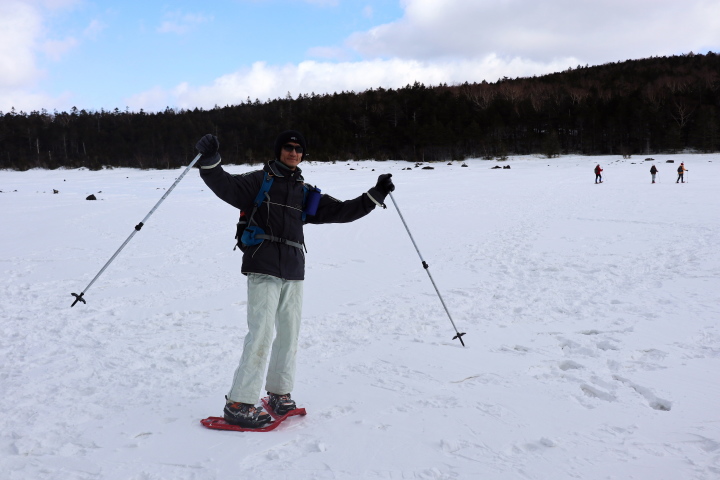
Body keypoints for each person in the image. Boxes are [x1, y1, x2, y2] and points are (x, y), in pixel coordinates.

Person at [194, 130, 395, 428]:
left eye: (299, 149)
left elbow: (340, 211)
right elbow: (225, 186)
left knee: (289, 334)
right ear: (279, 151)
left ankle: (278, 393)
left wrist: (373, 196)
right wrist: (210, 160)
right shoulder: (258, 180)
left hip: (293, 269)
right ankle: (239, 403)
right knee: (261, 334)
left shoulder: (304, 191)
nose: (293, 152)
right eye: (288, 148)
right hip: (263, 265)